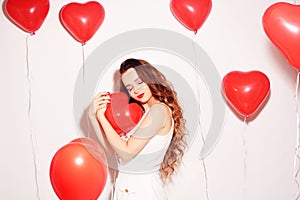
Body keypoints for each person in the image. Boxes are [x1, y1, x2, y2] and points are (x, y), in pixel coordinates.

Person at [90, 58, 187, 200]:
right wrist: (93, 117)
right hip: (126, 191)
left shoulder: (158, 111)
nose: (136, 90)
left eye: (139, 82)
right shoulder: (141, 116)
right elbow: (113, 151)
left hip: (142, 193)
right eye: (130, 88)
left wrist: (101, 117)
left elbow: (126, 153)